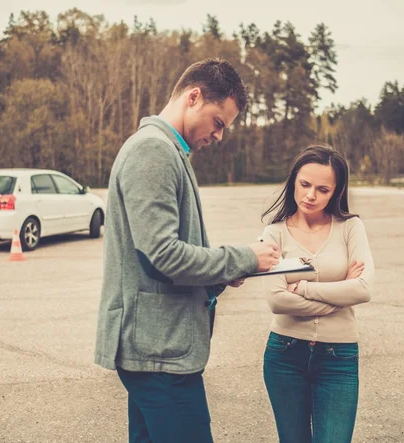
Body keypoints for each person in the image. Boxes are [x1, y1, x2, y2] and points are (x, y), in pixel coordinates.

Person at [94, 58, 280, 443]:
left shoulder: (167, 150)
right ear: (193, 97)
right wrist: (243, 257)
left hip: (160, 346)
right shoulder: (153, 152)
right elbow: (164, 254)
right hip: (158, 351)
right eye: (218, 122)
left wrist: (223, 276)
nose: (219, 135)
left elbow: (157, 259)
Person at [259, 144, 375, 443]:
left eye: (322, 189)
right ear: (293, 181)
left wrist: (306, 289)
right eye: (305, 184)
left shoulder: (350, 227)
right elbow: (276, 300)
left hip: (338, 357)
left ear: (336, 192)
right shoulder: (274, 232)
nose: (310, 195)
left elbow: (362, 288)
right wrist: (338, 296)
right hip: (284, 354)